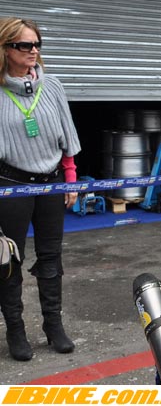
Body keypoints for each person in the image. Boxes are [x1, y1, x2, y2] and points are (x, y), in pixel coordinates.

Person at [0, 18, 80, 361]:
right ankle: (15, 331)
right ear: (5, 49)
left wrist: (70, 177)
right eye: (24, 45)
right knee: (8, 259)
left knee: (51, 257)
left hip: (51, 182)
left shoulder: (53, 86)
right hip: (11, 185)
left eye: (36, 44)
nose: (33, 51)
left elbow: (67, 134)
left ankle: (53, 326)